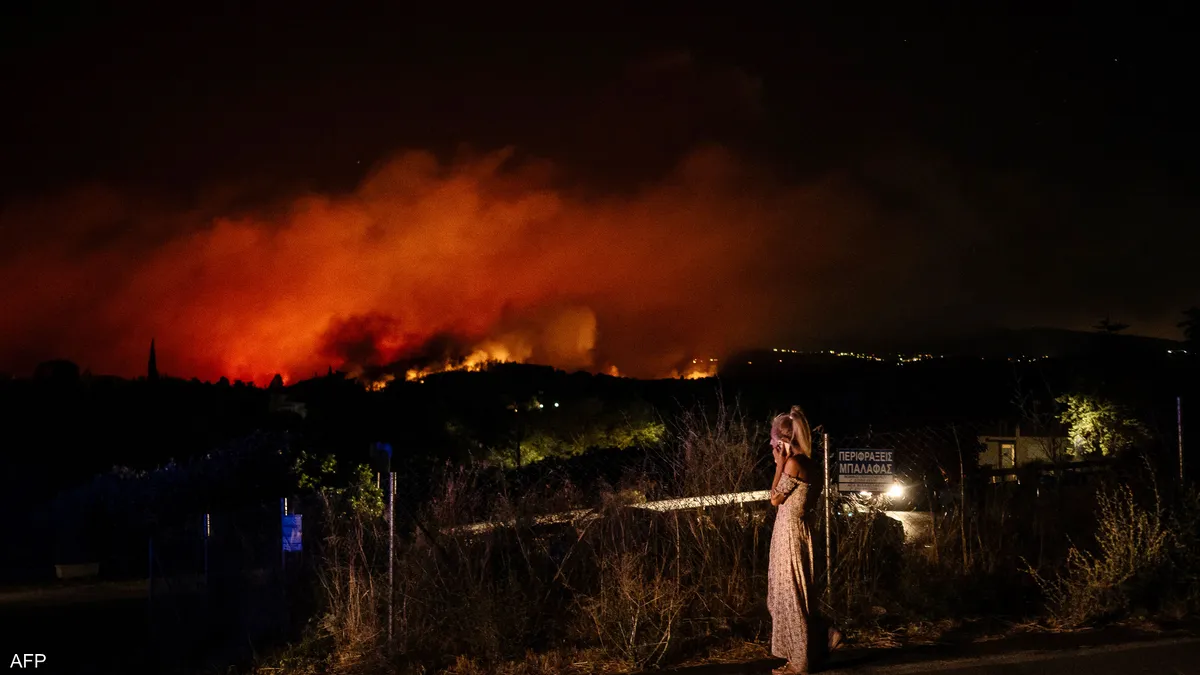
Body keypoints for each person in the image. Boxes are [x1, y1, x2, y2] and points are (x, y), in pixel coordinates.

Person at [767, 405, 842, 674]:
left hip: (790, 532)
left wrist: (778, 465)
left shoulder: (793, 463)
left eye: (775, 439)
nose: (771, 444)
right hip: (799, 530)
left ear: (784, 441)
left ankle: (799, 662)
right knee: (795, 594)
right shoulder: (810, 463)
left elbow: (775, 497)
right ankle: (822, 639)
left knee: (791, 596)